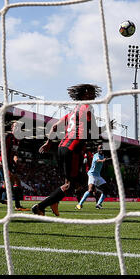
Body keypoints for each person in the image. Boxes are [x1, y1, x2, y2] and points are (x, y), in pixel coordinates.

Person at [33, 83, 113, 216]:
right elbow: (93, 131)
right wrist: (106, 128)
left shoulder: (72, 112)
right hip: (73, 149)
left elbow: (54, 127)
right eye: (91, 92)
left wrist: (48, 142)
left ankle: (54, 202)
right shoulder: (87, 107)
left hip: (62, 147)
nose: (94, 94)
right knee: (73, 184)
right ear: (85, 93)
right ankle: (40, 207)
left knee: (73, 182)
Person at [0, 121, 30, 211]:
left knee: (11, 184)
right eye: (15, 126)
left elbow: (14, 152)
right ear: (12, 128)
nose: (17, 128)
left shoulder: (18, 139)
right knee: (14, 182)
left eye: (19, 127)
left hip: (11, 163)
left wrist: (16, 158)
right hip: (4, 162)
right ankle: (17, 205)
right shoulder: (8, 136)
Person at [76, 144, 111, 210]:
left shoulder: (103, 156)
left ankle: (98, 204)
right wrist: (103, 160)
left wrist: (105, 160)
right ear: (97, 149)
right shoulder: (96, 155)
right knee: (90, 190)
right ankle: (79, 204)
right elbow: (97, 160)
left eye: (102, 148)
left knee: (106, 189)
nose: (101, 149)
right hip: (92, 174)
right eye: (99, 148)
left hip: (98, 176)